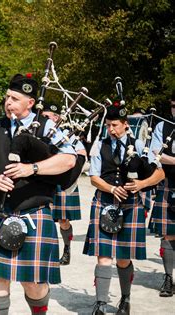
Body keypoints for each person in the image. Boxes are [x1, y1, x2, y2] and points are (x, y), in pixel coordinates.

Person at [0, 73, 77, 315]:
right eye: (7, 97)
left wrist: (31, 168)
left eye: (15, 98)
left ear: (30, 102)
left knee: (34, 284)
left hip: (34, 213)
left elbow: (69, 159)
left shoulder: (47, 126)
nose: (8, 102)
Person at [83, 104, 165, 314]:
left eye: (115, 125)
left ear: (126, 125)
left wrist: (141, 185)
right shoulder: (99, 145)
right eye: (108, 125)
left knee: (123, 257)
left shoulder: (139, 145)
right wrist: (110, 188)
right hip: (104, 202)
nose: (111, 129)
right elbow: (93, 177)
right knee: (103, 255)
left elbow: (159, 174)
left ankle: (125, 298)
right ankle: (100, 303)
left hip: (130, 206)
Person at [42, 103, 87, 265]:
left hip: (63, 182)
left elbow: (82, 154)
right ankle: (48, 252)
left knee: (63, 220)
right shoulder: (39, 133)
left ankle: (66, 248)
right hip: (43, 179)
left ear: (57, 118)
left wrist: (71, 179)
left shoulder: (69, 134)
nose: (44, 119)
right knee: (43, 217)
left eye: (48, 116)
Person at [149, 96, 175, 297]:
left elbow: (163, 155)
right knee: (168, 234)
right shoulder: (162, 127)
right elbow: (156, 154)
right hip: (169, 183)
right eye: (174, 106)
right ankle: (168, 278)